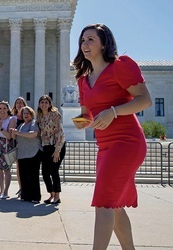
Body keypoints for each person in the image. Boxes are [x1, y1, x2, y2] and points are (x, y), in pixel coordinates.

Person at [72, 23, 152, 249]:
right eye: (83, 40)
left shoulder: (120, 67)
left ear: (104, 43)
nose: (85, 44)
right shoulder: (83, 80)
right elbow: (88, 114)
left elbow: (145, 100)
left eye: (91, 40)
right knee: (114, 206)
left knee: (104, 202)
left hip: (127, 142)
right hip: (105, 146)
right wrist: (81, 121)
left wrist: (113, 112)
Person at [36, 95, 66, 204]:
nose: (44, 104)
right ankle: (51, 194)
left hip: (57, 145)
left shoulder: (54, 115)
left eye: (46, 102)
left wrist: (57, 150)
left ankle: (57, 196)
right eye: (42, 102)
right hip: (46, 146)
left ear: (49, 104)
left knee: (54, 171)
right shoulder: (40, 117)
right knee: (44, 172)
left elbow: (60, 132)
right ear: (39, 104)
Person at [10, 106, 42, 203]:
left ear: (31, 114)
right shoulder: (21, 125)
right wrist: (12, 131)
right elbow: (15, 138)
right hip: (23, 154)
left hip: (33, 153)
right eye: (24, 113)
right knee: (23, 176)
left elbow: (33, 134)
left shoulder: (33, 123)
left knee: (33, 176)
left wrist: (18, 133)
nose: (26, 115)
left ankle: (35, 197)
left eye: (28, 113)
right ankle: (25, 195)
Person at [0, 101, 16, 199]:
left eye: (4, 108)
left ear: (8, 109)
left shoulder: (11, 119)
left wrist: (1, 129)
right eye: (0, 108)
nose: (2, 110)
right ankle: (1, 190)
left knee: (6, 169)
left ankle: (6, 192)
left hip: (6, 144)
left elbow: (10, 136)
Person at [11, 97, 27, 198]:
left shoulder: (27, 117)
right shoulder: (13, 118)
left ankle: (26, 188)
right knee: (19, 167)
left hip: (26, 144)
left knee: (26, 167)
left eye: (21, 103)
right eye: (17, 103)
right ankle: (21, 188)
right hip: (16, 143)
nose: (19, 104)